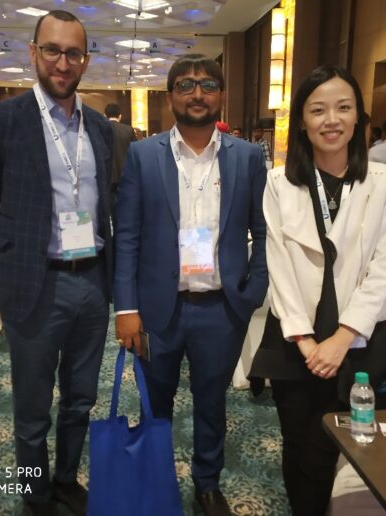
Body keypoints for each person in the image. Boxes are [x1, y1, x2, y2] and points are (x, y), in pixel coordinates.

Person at [113, 54, 268, 516]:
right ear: (170, 96)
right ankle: (156, 480)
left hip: (221, 308)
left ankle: (207, 484)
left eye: (207, 85)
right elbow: (128, 236)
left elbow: (263, 230)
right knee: (155, 402)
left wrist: (253, 290)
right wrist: (126, 308)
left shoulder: (247, 156)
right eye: (185, 85)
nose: (197, 94)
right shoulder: (144, 155)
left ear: (221, 95)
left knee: (211, 403)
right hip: (158, 308)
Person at [0, 10, 113, 516]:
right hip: (34, 285)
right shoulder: (1, 121)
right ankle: (35, 496)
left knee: (80, 400)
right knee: (32, 409)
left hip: (92, 284)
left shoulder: (99, 127)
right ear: (33, 53)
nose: (63, 63)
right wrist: (7, 261)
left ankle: (64, 479)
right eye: (53, 50)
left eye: (73, 53)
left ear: (85, 59)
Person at [250, 65, 386, 516]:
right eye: (318, 110)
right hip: (296, 340)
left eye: (343, 108)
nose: (331, 120)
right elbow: (278, 263)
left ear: (358, 116)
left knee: (351, 443)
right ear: (302, 122)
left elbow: (383, 270)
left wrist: (343, 336)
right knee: (299, 442)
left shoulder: (382, 182)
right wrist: (307, 341)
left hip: (360, 340)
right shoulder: (279, 183)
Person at [104, 103, 136, 213]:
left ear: (105, 115)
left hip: (107, 175)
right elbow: (134, 152)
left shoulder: (100, 129)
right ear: (120, 116)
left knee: (109, 206)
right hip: (125, 174)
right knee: (125, 207)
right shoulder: (129, 130)